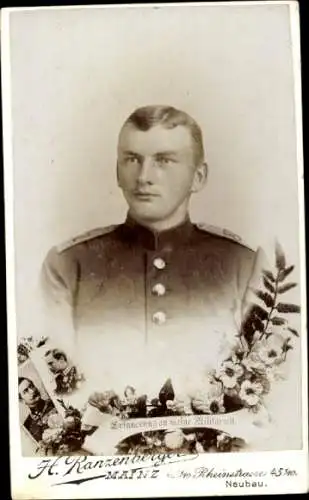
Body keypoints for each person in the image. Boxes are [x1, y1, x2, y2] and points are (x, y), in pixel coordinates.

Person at [40, 105, 265, 395]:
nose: (143, 176)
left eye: (164, 161)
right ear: (117, 172)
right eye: (132, 159)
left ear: (198, 177)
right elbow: (57, 392)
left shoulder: (244, 266)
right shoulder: (68, 266)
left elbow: (260, 387)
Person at [18, 377, 57, 442]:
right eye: (26, 391)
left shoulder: (55, 402)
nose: (32, 391)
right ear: (22, 401)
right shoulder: (27, 426)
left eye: (31, 386)